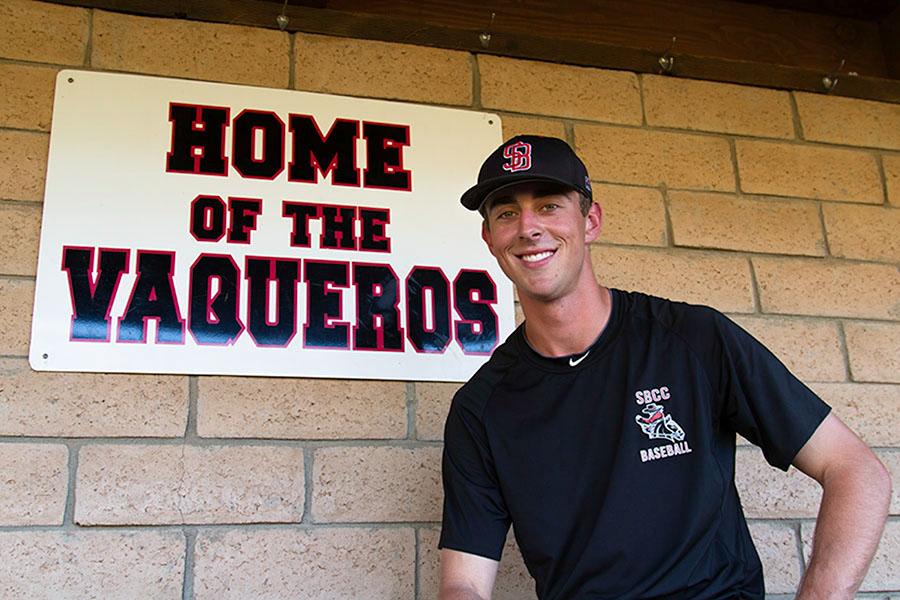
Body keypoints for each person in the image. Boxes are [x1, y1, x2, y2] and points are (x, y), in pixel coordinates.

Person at [438, 135, 891, 600]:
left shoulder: (693, 339)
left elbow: (855, 469)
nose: (528, 227)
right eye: (507, 213)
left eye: (550, 206)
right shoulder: (482, 408)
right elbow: (464, 581)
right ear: (489, 238)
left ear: (590, 221)